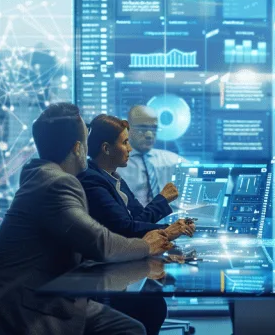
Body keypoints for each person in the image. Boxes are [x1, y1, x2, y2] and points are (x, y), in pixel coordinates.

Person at [0, 103, 173, 335]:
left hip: (48, 294)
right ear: (77, 148)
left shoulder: (43, 175)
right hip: (25, 307)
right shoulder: (55, 183)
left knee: (132, 326)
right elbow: (101, 243)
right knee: (133, 325)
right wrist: (147, 245)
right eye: (86, 142)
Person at [78, 114, 196, 335]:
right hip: (104, 271)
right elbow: (124, 227)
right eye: (124, 142)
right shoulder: (93, 181)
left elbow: (138, 219)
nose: (130, 149)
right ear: (106, 148)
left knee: (153, 304)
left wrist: (166, 212)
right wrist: (167, 229)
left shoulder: (113, 178)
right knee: (150, 306)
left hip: (120, 265)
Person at [119, 105, 184, 207]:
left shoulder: (171, 160)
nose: (149, 135)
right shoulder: (115, 165)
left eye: (154, 128)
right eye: (142, 128)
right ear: (127, 128)